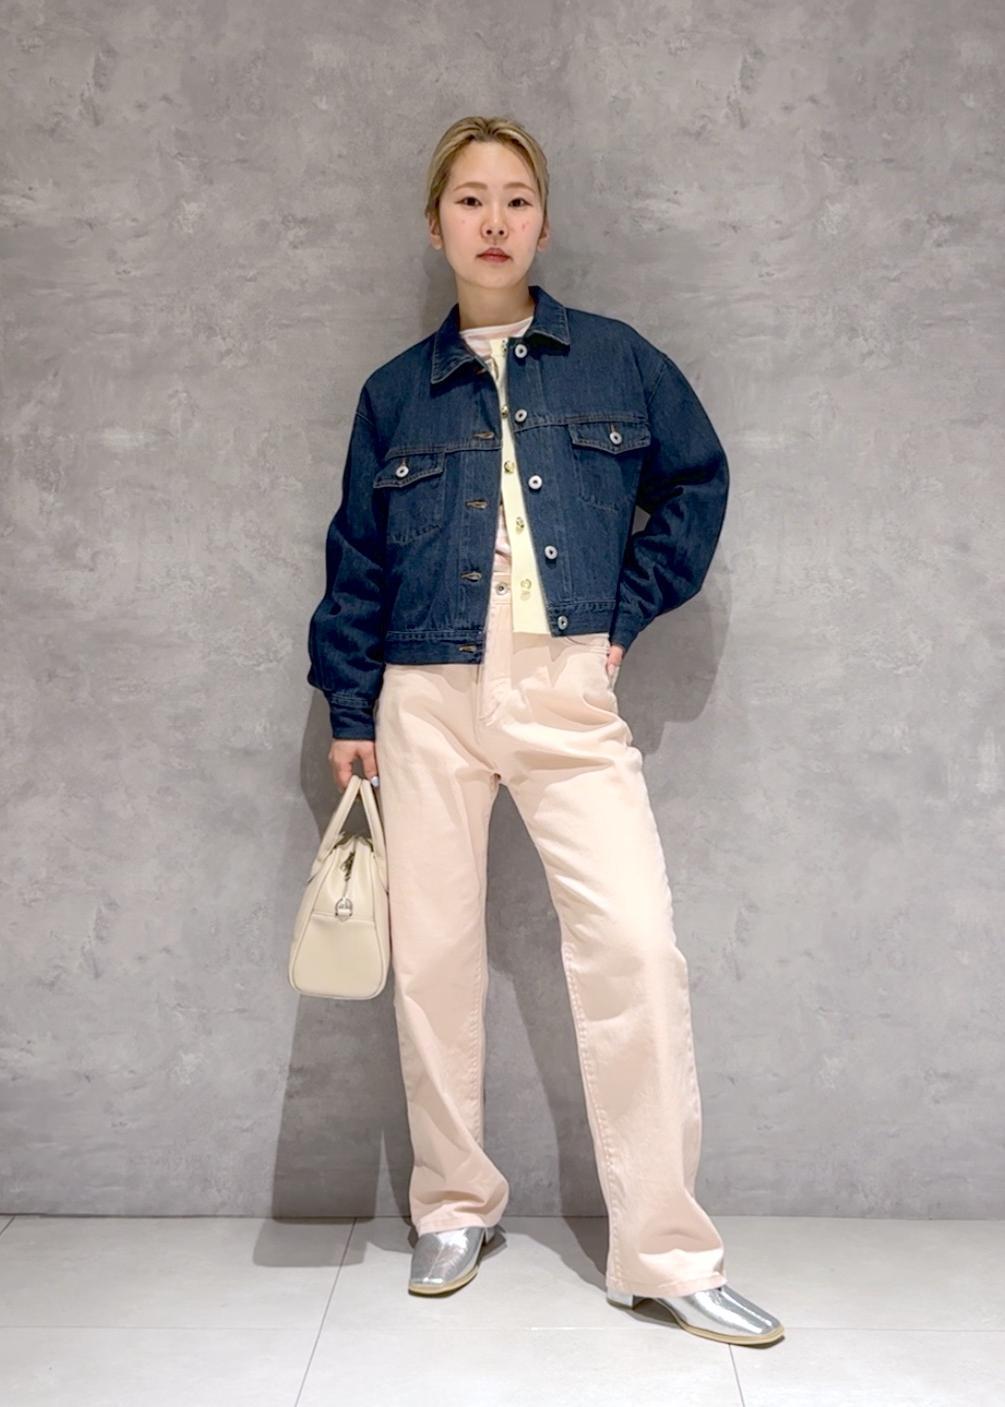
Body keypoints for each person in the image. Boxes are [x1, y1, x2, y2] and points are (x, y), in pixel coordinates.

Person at [306, 114, 783, 1347]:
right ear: (436, 225)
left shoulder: (617, 361)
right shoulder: (395, 394)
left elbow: (696, 483)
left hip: (569, 690)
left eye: (516, 198)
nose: (495, 220)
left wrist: (624, 614)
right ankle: (452, 1204)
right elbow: (358, 558)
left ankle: (665, 1252)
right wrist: (350, 705)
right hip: (424, 693)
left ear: (544, 222)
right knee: (436, 960)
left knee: (635, 950)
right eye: (470, 199)